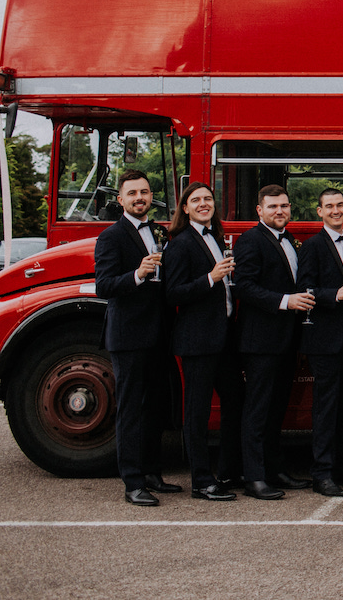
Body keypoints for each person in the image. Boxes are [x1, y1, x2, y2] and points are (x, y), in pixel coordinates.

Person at [93, 169, 177, 505]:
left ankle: (153, 473)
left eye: (144, 192)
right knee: (130, 409)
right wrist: (138, 275)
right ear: (121, 200)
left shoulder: (158, 231)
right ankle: (132, 482)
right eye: (132, 194)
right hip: (128, 336)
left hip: (158, 333)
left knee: (156, 405)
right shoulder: (111, 237)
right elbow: (104, 286)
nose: (139, 198)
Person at [163, 182, 242, 501]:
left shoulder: (215, 237)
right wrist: (211, 278)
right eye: (196, 200)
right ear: (185, 208)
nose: (203, 203)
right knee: (196, 412)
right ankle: (200, 480)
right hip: (197, 340)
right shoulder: (180, 244)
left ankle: (227, 470)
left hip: (222, 337)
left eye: (208, 198)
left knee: (236, 399)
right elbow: (172, 293)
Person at [232, 185, 312, 499]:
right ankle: (253, 477)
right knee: (258, 409)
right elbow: (244, 287)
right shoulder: (251, 240)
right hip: (260, 341)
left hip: (285, 339)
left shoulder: (288, 239)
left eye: (284, 206)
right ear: (259, 210)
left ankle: (273, 468)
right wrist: (285, 301)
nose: (280, 211)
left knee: (278, 408)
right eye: (273, 207)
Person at [296, 188, 343, 497]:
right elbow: (305, 287)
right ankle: (322, 473)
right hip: (325, 336)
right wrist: (332, 295)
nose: (336, 210)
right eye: (330, 206)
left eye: (340, 205)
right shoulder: (313, 246)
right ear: (319, 211)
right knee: (326, 406)